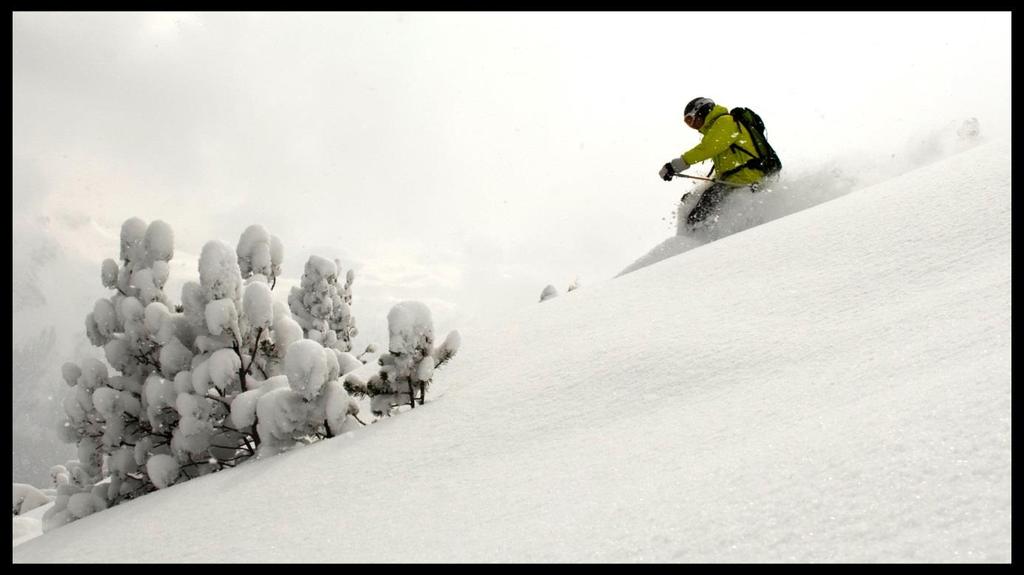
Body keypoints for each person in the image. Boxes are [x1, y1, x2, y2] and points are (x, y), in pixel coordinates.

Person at [659, 97, 771, 229]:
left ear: (701, 111)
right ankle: (703, 234)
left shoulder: (726, 121)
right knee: (692, 198)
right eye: (689, 123)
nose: (693, 126)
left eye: (691, 120)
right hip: (735, 178)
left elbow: (709, 148)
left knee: (704, 206)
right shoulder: (717, 128)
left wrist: (676, 165)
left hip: (746, 176)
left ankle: (699, 238)